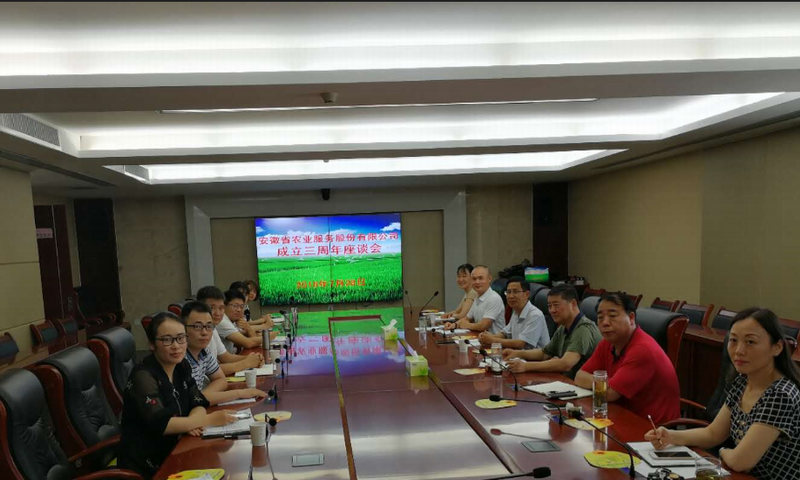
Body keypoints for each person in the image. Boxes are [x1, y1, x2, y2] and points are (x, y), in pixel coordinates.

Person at [646, 308, 800, 480]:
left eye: (750, 342)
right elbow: (713, 433)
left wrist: (723, 451)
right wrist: (670, 436)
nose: (738, 350)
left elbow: (740, 462)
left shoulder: (780, 395)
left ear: (777, 347)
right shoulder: (742, 381)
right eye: (733, 340)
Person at [118, 312, 237, 478]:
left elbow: (197, 401)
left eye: (181, 338)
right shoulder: (143, 377)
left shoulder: (181, 366)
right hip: (149, 465)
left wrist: (191, 422)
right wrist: (208, 420)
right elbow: (163, 424)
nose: (176, 346)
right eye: (167, 340)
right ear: (152, 344)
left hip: (179, 449)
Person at [574, 292, 680, 425]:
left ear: (631, 318)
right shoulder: (607, 343)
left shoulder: (642, 349)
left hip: (653, 428)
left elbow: (609, 394)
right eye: (600, 317)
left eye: (612, 316)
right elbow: (579, 377)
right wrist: (605, 383)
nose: (605, 323)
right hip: (621, 414)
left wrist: (603, 385)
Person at [503, 284, 601, 378]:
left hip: (585, 385)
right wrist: (516, 353)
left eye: (556, 305)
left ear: (573, 304)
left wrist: (525, 366)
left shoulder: (583, 329)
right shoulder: (563, 327)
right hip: (566, 381)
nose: (552, 310)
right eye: (549, 306)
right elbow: (544, 354)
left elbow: (566, 364)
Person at [181, 301, 266, 405]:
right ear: (183, 329)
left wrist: (202, 396)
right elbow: (189, 402)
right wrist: (239, 393)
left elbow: (220, 379)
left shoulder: (204, 352)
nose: (204, 332)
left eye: (209, 326)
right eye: (197, 327)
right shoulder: (179, 359)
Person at [196, 286, 263, 375]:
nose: (217, 313)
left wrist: (253, 359)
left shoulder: (212, 327)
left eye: (221, 308)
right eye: (212, 308)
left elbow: (225, 357)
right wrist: (246, 363)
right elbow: (208, 370)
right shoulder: (197, 333)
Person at [478, 277, 549, 350]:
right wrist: (487, 337)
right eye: (508, 292)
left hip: (533, 357)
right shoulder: (516, 311)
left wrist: (493, 340)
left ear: (527, 294)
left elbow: (521, 343)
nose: (511, 296)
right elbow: (505, 333)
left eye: (515, 292)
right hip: (517, 354)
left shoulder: (535, 315)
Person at [445, 265, 505, 334]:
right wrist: (454, 325)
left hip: (493, 340)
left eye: (480, 278)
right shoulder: (477, 298)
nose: (477, 282)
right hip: (479, 337)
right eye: (474, 279)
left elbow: (483, 326)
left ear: (489, 278)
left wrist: (467, 325)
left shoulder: (493, 298)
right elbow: (466, 318)